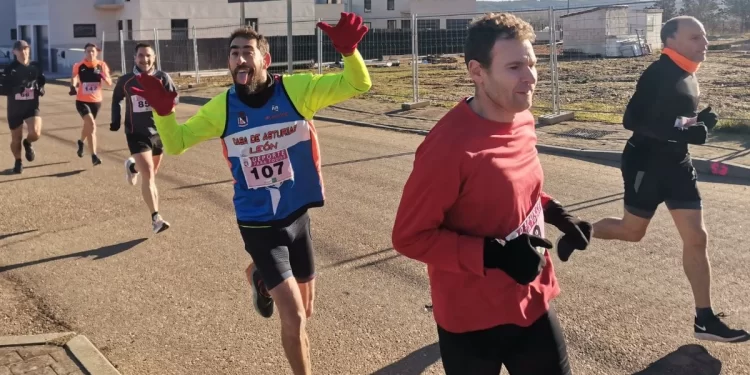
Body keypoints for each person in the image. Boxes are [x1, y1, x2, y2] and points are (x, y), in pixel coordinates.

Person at [130, 13, 371, 375]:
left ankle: (260, 277)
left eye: (247, 52)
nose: (239, 59)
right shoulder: (222, 107)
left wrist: (349, 51)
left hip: (297, 218)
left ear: (264, 60)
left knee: (307, 311)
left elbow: (359, 84)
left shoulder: (296, 90)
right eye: (233, 53)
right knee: (293, 317)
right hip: (257, 222)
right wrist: (163, 112)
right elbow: (176, 144)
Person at [391, 13, 591, 375]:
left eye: (532, 63)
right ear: (477, 72)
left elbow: (517, 190)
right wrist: (493, 256)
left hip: (533, 299)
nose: (529, 76)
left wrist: (558, 213)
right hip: (473, 320)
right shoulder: (449, 147)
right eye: (514, 66)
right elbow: (409, 237)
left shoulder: (522, 118)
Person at [575, 16, 750, 343]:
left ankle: (705, 319)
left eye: (705, 36)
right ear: (671, 42)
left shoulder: (689, 75)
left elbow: (669, 120)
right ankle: (579, 229)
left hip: (678, 165)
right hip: (647, 164)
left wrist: (698, 122)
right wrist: (683, 132)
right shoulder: (658, 73)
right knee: (632, 232)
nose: (705, 42)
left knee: (697, 238)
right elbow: (633, 120)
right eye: (696, 37)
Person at [111, 42, 176, 234]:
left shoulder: (162, 77)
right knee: (148, 174)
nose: (144, 59)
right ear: (135, 58)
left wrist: (166, 107)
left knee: (151, 174)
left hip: (158, 133)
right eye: (141, 55)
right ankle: (156, 218)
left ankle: (132, 166)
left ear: (154, 57)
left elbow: (174, 99)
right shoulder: (127, 80)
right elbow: (116, 99)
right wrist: (115, 120)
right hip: (136, 132)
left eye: (148, 55)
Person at [0, 40, 46, 174]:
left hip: (31, 106)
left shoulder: (35, 66)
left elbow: (41, 81)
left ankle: (28, 143)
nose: (24, 52)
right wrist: (15, 90)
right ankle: (18, 161)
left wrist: (40, 88)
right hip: (15, 108)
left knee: (36, 133)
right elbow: (2, 88)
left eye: (26, 49)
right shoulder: (10, 69)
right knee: (16, 138)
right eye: (20, 50)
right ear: (14, 52)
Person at [69, 43, 112, 166]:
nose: (91, 53)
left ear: (96, 52)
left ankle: (81, 142)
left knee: (87, 126)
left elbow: (109, 83)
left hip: (96, 102)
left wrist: (103, 76)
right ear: (85, 53)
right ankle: (94, 156)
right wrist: (73, 85)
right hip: (82, 101)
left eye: (93, 51)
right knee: (92, 125)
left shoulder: (101, 65)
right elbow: (74, 76)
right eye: (88, 51)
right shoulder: (79, 65)